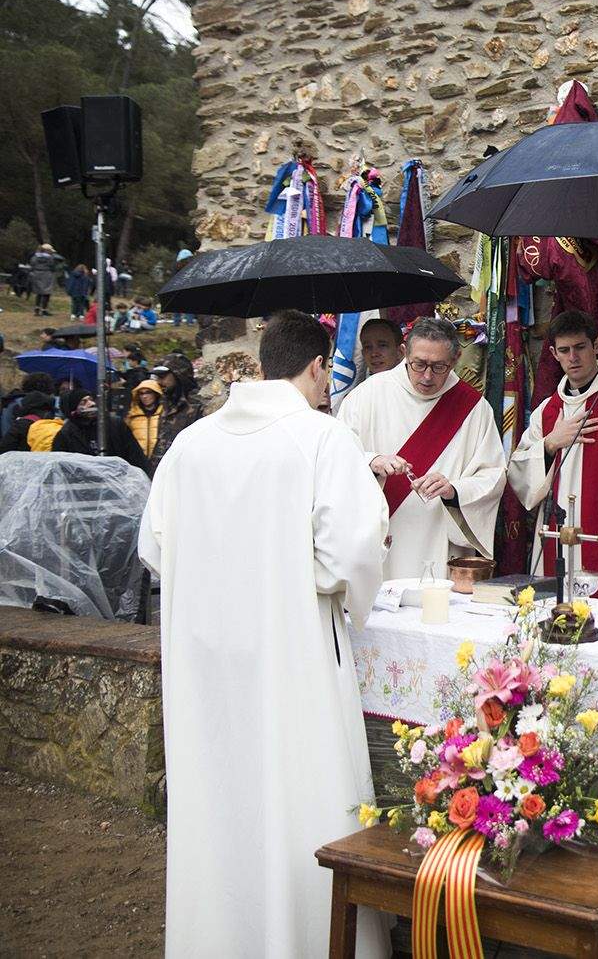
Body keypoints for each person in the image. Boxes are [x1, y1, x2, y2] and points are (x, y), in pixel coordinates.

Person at [139, 310, 389, 958]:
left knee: (223, 805)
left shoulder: (191, 443)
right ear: (315, 368)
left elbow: (154, 546)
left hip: (210, 669)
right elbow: (351, 555)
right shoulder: (321, 438)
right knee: (302, 797)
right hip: (294, 657)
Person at [338, 315, 506, 579]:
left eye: (439, 367)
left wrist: (454, 490)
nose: (427, 376)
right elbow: (337, 459)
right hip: (382, 542)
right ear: (405, 353)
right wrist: (372, 461)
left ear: (456, 358)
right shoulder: (366, 395)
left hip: (439, 542)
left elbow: (493, 476)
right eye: (419, 364)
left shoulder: (474, 408)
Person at [507, 310, 598, 597]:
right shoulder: (547, 411)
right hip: (558, 533)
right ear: (553, 353)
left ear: (596, 345)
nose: (573, 357)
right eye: (564, 350)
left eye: (580, 347)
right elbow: (520, 476)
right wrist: (550, 443)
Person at [51, 388, 151, 474]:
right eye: (83, 402)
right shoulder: (66, 435)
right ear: (72, 411)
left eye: (90, 399)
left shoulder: (115, 425)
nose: (91, 404)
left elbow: (136, 456)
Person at [147, 355, 202, 464]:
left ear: (178, 375)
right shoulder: (166, 403)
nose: (159, 381)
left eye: (163, 377)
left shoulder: (198, 406)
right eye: (157, 377)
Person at [126, 379, 164, 464]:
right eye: (141, 393)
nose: (144, 396)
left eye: (148, 392)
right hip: (138, 463)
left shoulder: (165, 415)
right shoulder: (131, 417)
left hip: (160, 462)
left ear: (156, 393)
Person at [29, 243, 60, 316]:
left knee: (39, 293)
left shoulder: (35, 257)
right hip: (47, 275)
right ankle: (44, 310)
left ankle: (37, 309)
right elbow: (52, 266)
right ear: (47, 250)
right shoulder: (50, 258)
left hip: (36, 274)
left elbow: (32, 264)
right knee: (46, 292)